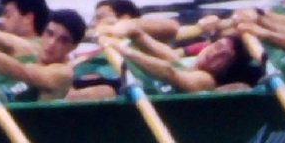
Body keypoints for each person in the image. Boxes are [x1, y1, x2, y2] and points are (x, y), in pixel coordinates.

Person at [111, 24, 261, 94]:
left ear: (228, 69)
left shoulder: (206, 79)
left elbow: (169, 72)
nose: (213, 55)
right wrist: (116, 30)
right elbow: (138, 33)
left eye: (223, 56)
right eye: (217, 47)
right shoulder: (179, 61)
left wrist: (126, 51)